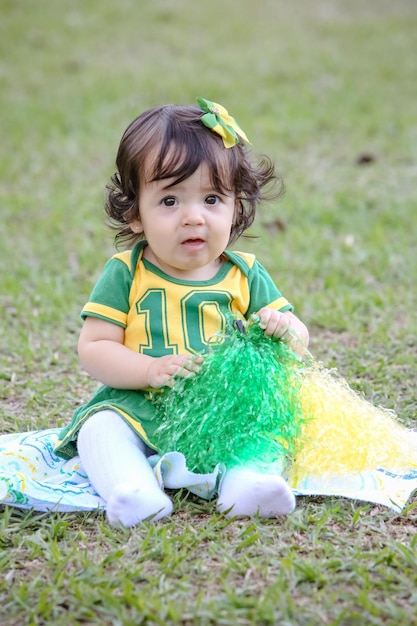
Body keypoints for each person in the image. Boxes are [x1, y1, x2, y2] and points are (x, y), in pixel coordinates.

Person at [54, 97, 309, 527]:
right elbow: (94, 347)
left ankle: (247, 485)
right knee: (100, 429)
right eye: (170, 201)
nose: (194, 218)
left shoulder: (244, 272)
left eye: (212, 199)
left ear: (235, 207)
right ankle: (133, 490)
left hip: (224, 411)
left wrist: (284, 328)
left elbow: (298, 341)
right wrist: (148, 370)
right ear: (136, 213)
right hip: (141, 407)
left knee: (266, 430)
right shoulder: (127, 272)